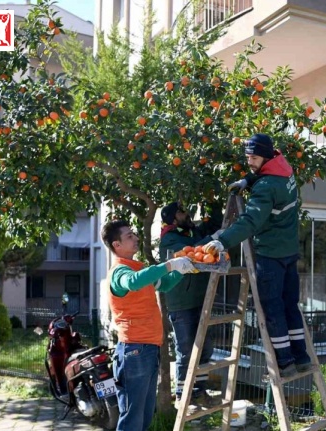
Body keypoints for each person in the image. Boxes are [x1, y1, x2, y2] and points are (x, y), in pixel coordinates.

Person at [204, 133, 311, 378]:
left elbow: (251, 220)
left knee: (272, 308)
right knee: (290, 305)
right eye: (248, 157)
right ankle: (301, 356)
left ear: (264, 155)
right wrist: (247, 180)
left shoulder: (265, 188)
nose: (249, 161)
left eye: (253, 157)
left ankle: (284, 361)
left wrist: (223, 241)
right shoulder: (285, 170)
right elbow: (267, 176)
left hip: (270, 254)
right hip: (289, 251)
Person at [101, 219, 197, 431]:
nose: (135, 238)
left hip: (147, 349)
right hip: (134, 351)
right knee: (132, 419)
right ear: (116, 245)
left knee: (143, 417)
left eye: (134, 234)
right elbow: (133, 281)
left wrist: (181, 271)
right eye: (129, 236)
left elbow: (165, 284)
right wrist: (170, 264)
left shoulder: (138, 269)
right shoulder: (120, 272)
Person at [159, 202, 222, 409]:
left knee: (205, 348)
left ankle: (198, 392)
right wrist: (212, 240)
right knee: (186, 350)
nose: (187, 213)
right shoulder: (169, 239)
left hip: (201, 299)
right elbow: (190, 253)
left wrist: (212, 198)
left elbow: (213, 223)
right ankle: (181, 395)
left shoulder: (192, 231)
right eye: (181, 212)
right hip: (181, 303)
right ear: (173, 219)